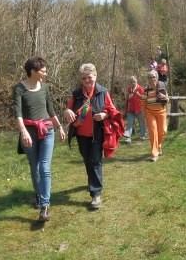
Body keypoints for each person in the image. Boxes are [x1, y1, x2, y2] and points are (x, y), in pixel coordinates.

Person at [12, 56, 66, 222]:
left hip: (47, 130)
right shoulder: (19, 89)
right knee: (34, 167)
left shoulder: (45, 88)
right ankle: (39, 194)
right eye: (42, 71)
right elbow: (18, 113)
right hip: (29, 134)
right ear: (33, 71)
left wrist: (59, 127)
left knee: (44, 167)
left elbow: (51, 109)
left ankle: (45, 205)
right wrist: (24, 132)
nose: (45, 73)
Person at [65, 63, 121, 209]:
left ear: (95, 76)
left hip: (97, 134)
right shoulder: (77, 94)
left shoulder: (103, 92)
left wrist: (105, 114)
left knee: (95, 160)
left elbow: (112, 110)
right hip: (81, 134)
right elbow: (69, 110)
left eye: (89, 77)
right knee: (87, 160)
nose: (87, 81)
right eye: (83, 78)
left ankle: (96, 194)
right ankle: (92, 182)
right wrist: (67, 112)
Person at [141, 70, 169, 162]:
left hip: (161, 112)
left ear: (157, 77)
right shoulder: (146, 89)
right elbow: (143, 103)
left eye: (154, 76)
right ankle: (154, 153)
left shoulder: (162, 86)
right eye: (150, 77)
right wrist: (143, 116)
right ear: (148, 79)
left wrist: (164, 97)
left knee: (162, 131)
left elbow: (167, 99)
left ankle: (159, 146)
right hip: (150, 113)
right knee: (153, 132)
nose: (152, 79)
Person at [123, 76, 147, 143]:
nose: (132, 83)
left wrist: (138, 95)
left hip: (139, 108)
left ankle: (143, 136)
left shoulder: (140, 88)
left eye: (134, 82)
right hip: (130, 109)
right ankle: (128, 138)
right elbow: (127, 98)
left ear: (136, 81)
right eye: (131, 82)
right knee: (130, 123)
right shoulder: (129, 89)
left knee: (141, 122)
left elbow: (144, 98)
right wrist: (128, 97)